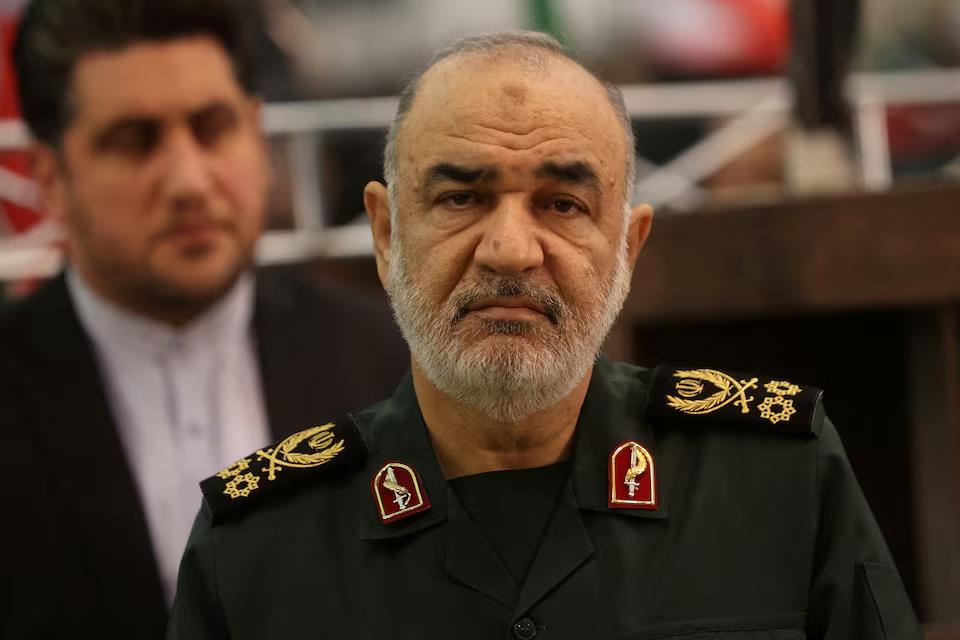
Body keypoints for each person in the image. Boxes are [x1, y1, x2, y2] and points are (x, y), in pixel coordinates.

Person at [167, 31, 922, 639]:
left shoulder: (778, 481)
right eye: (461, 198)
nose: (509, 250)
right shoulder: (257, 545)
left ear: (628, 246)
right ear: (387, 233)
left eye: (562, 204)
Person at [0, 0, 407, 636]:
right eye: (135, 141)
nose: (188, 181)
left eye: (212, 127)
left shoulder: (391, 365)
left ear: (256, 134)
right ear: (50, 176)